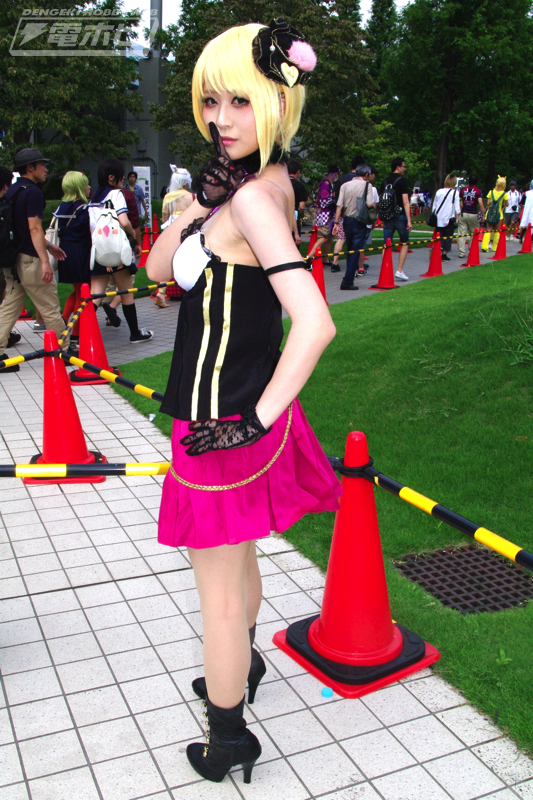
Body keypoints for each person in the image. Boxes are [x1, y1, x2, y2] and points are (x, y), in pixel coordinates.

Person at [146, 18, 340, 785]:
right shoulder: (258, 187)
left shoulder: (256, 199)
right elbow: (160, 269)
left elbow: (315, 322)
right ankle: (244, 667)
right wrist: (196, 208)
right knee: (241, 559)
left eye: (240, 101)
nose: (220, 119)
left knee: (218, 598)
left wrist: (250, 421)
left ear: (278, 102)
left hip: (221, 423)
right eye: (211, 101)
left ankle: (228, 738)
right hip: (235, 414)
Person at [0, 148, 70, 373]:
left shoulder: (12, 190)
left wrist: (49, 245)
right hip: (31, 260)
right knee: (50, 307)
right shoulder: (33, 193)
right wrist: (45, 260)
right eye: (42, 165)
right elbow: (34, 228)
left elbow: (19, 228)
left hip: (12, 260)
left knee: (9, 308)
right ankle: (64, 351)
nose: (45, 169)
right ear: (30, 168)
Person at [88, 158, 153, 343]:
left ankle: (80, 334)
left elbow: (92, 228)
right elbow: (124, 221)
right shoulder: (117, 194)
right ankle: (135, 333)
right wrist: (132, 236)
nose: (123, 181)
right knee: (126, 292)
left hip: (99, 251)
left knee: (95, 296)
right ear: (112, 177)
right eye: (121, 177)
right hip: (117, 251)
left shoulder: (93, 198)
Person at [52, 171, 92, 343]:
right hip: (80, 253)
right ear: (79, 187)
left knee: (76, 292)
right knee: (83, 293)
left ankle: (63, 321)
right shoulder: (83, 209)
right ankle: (75, 332)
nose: (89, 187)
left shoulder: (60, 208)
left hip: (65, 251)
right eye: (86, 184)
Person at [332, 164, 372, 289]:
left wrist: (336, 223)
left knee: (350, 250)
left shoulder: (345, 185)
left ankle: (349, 277)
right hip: (360, 220)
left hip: (346, 220)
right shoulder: (367, 186)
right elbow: (370, 204)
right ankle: (347, 281)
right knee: (355, 250)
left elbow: (339, 206)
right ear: (366, 174)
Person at [379, 157, 412, 280]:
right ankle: (399, 270)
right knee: (404, 242)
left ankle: (385, 268)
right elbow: (405, 202)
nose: (405, 169)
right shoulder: (402, 181)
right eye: (403, 166)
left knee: (386, 243)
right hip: (400, 215)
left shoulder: (384, 181)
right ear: (398, 167)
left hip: (387, 216)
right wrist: (409, 220)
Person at [331, 156, 364, 272]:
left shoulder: (343, 179)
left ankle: (335, 262)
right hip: (355, 214)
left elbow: (335, 194)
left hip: (342, 213)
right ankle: (358, 265)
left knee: (340, 238)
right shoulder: (361, 181)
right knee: (356, 241)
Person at [307, 165, 340, 266]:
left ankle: (325, 259)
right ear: (335, 174)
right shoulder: (326, 184)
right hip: (324, 213)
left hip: (327, 213)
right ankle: (309, 257)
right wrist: (334, 199)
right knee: (324, 237)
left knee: (330, 238)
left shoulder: (328, 183)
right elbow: (324, 201)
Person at [431, 174, 461, 261]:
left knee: (438, 236)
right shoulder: (455, 193)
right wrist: (457, 217)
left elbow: (434, 205)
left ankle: (437, 251)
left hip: (438, 218)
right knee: (448, 236)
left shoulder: (439, 191)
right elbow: (457, 207)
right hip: (449, 218)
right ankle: (444, 253)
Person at [458, 174, 485, 259]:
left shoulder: (463, 190)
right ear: (477, 182)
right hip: (473, 213)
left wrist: (462, 205)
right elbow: (480, 203)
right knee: (474, 233)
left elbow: (460, 200)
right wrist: (483, 215)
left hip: (464, 213)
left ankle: (461, 252)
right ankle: (471, 250)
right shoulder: (478, 191)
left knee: (462, 233)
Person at [482, 176, 508, 252]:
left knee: (488, 229)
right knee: (496, 231)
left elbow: (488, 203)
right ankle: (494, 247)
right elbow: (506, 204)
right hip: (498, 214)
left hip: (490, 213)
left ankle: (484, 246)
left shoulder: (491, 192)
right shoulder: (504, 194)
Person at [287, 158, 308, 239]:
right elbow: (302, 206)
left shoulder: (282, 184)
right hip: (294, 215)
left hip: (282, 215)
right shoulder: (299, 186)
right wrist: (300, 211)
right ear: (298, 171)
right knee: (295, 240)